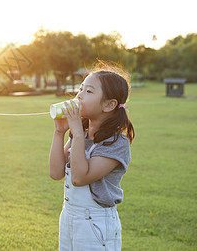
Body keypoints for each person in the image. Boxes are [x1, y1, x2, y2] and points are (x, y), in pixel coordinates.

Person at [49, 63, 135, 250]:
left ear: (109, 105)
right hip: (69, 217)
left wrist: (77, 133)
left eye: (88, 91)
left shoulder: (117, 143)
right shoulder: (81, 135)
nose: (79, 95)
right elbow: (56, 173)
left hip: (95, 223)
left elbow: (80, 178)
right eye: (80, 89)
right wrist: (59, 132)